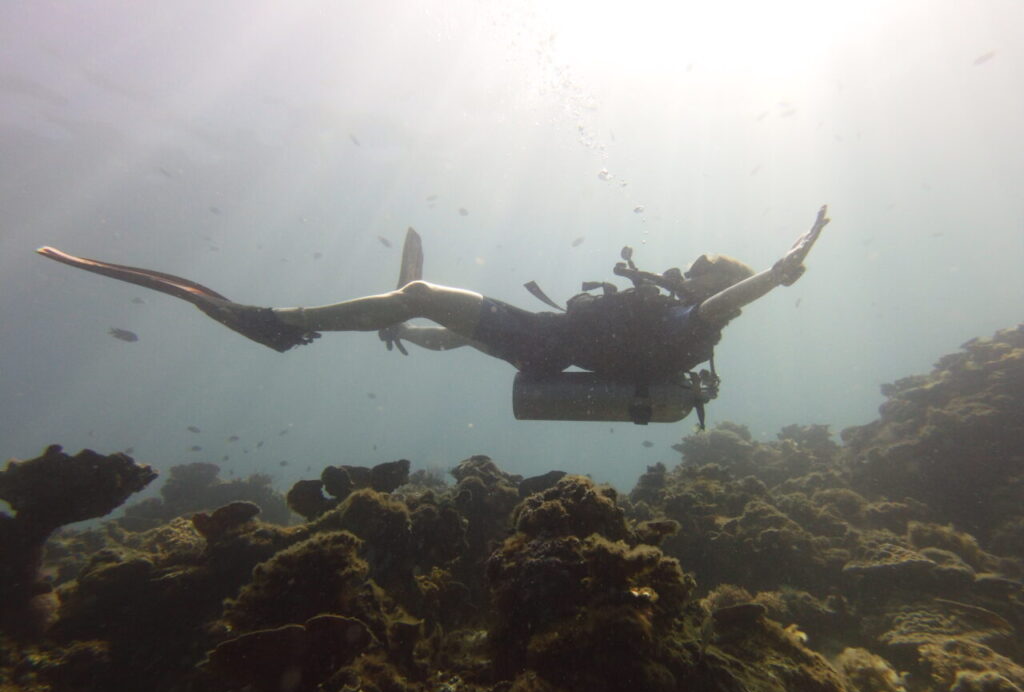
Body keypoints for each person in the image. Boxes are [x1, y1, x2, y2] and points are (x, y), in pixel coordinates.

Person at [35, 206, 829, 387]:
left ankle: (274, 325)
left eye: (701, 267)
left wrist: (784, 266)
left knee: (417, 289)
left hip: (543, 345)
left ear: (721, 285)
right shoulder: (679, 315)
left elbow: (739, 299)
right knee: (426, 317)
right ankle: (397, 329)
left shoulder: (704, 312)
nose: (687, 270)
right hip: (544, 344)